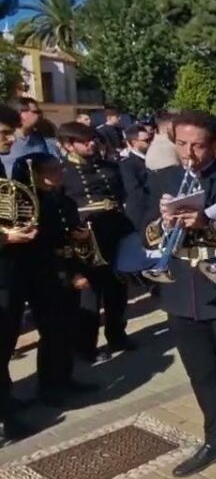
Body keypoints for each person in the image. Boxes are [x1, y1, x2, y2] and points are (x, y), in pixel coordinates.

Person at [142, 111, 216, 479]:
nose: (189, 153)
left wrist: (205, 225)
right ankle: (215, 438)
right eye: (181, 144)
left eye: (197, 145)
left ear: (214, 145)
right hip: (179, 289)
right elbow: (145, 235)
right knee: (200, 373)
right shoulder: (162, 178)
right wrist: (162, 223)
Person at [11, 153, 98, 406]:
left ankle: (65, 378)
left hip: (67, 271)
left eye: (59, 168)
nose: (59, 173)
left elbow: (67, 234)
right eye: (52, 170)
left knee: (66, 328)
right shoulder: (27, 206)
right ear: (36, 175)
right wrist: (69, 274)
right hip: (44, 277)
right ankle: (49, 387)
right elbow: (37, 248)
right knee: (52, 332)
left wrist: (80, 239)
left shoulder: (62, 200)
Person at [57, 122, 136, 358]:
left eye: (93, 139)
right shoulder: (63, 173)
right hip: (87, 236)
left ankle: (117, 336)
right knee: (90, 295)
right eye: (84, 141)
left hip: (114, 230)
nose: (92, 144)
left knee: (117, 287)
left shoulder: (109, 167)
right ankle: (86, 346)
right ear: (69, 146)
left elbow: (121, 194)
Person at [0, 104, 41, 441]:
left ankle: (7, 400)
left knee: (6, 340)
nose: (10, 141)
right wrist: (5, 236)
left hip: (8, 269)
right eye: (3, 134)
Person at [2, 97, 60, 176]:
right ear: (20, 113)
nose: (40, 115)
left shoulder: (41, 139)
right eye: (36, 112)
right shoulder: (4, 141)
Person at [119, 124, 152, 226]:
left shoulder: (150, 159)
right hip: (141, 212)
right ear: (134, 142)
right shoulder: (127, 164)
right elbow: (133, 190)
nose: (150, 143)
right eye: (146, 140)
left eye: (151, 139)